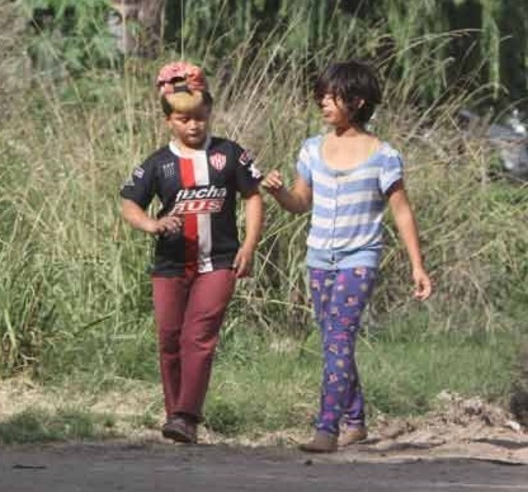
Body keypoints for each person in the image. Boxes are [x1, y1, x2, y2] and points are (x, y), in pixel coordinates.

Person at [262, 61, 434, 453]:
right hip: (319, 257)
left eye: (331, 96)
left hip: (360, 257)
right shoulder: (311, 148)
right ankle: (355, 420)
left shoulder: (383, 156)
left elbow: (402, 211)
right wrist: (277, 193)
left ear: (356, 102)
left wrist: (417, 265)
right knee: (332, 340)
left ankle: (328, 428)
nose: (322, 102)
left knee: (338, 336)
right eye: (320, 95)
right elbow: (300, 201)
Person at [119, 61, 265, 444]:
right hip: (169, 265)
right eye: (183, 119)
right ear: (169, 120)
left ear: (209, 112)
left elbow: (253, 197)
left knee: (198, 337)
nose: (193, 125)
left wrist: (249, 246)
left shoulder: (230, 155)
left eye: (199, 117)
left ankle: (187, 416)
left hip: (219, 262)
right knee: (169, 338)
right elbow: (129, 204)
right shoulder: (158, 163)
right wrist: (151, 224)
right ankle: (174, 415)